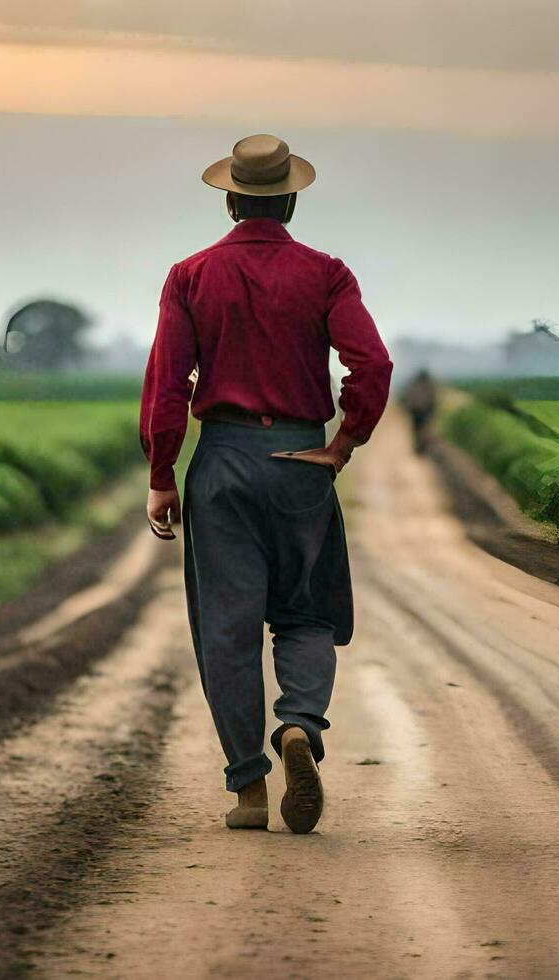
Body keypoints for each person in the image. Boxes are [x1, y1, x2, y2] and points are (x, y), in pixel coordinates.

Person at [139, 134, 393, 834]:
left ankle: (249, 791)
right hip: (300, 461)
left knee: (227, 629)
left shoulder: (188, 276)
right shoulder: (327, 274)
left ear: (229, 200)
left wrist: (162, 474)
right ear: (288, 200)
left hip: (220, 461)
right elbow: (371, 365)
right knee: (307, 612)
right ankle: (300, 728)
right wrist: (344, 443)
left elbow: (167, 385)